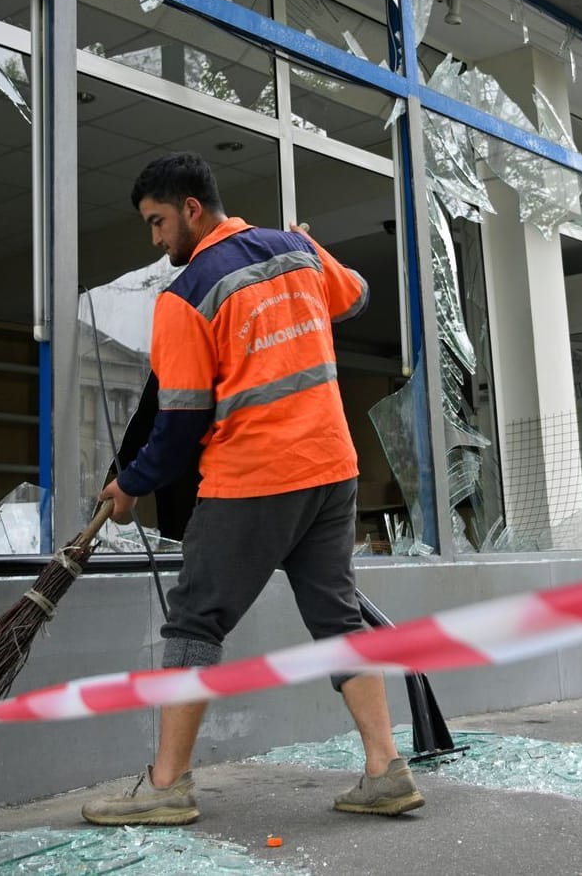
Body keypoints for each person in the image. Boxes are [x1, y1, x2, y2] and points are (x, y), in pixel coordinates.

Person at [81, 153, 425, 825]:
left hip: (254, 479)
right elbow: (355, 294)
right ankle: (385, 770)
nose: (155, 240)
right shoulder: (294, 250)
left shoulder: (185, 297)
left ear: (190, 208)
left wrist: (129, 485)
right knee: (336, 616)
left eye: (156, 222)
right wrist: (309, 241)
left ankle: (166, 784)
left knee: (193, 621)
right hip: (331, 469)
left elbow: (179, 420)